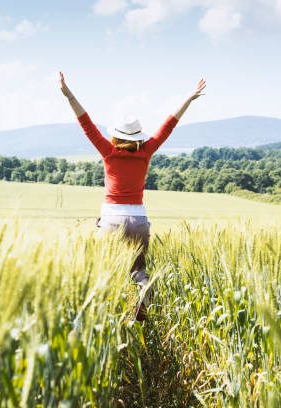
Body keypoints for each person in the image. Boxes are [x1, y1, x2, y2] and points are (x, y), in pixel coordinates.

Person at [59, 72, 206, 321]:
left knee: (105, 270)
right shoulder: (146, 152)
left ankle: (107, 316)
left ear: (116, 135)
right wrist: (189, 99)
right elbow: (169, 125)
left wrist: (68, 94)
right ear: (138, 135)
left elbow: (85, 122)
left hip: (111, 220)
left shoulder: (108, 152)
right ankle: (143, 291)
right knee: (138, 270)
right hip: (138, 221)